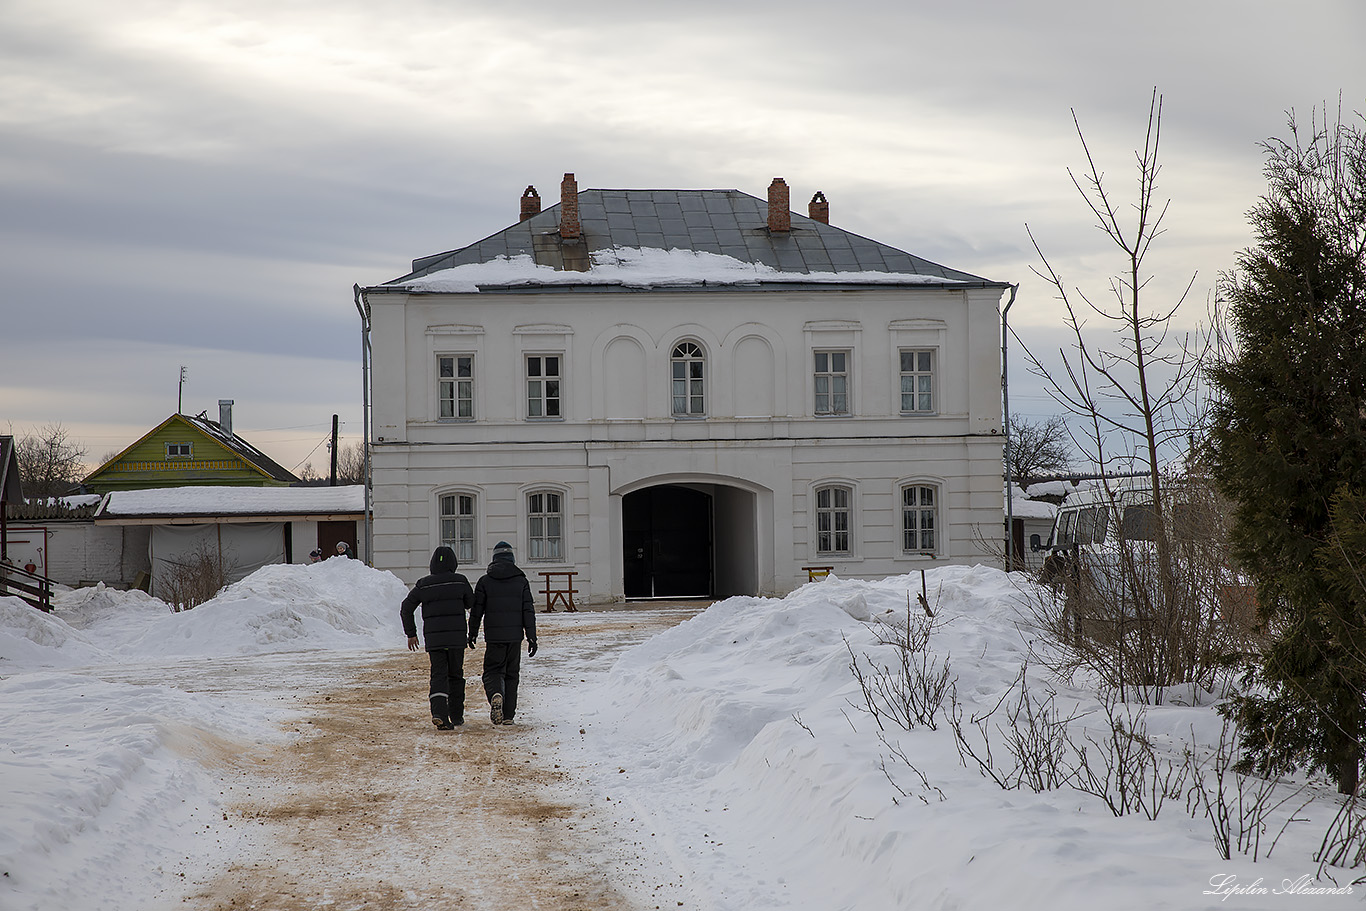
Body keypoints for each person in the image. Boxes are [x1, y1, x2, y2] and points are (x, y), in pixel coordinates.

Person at [400, 545, 475, 730]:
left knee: (438, 675)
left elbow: (406, 608)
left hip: (435, 641)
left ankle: (439, 713)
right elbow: (470, 603)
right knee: (456, 675)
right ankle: (456, 715)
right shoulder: (460, 581)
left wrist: (411, 633)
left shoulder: (424, 584)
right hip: (456, 639)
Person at [468, 541, 537, 725]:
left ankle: (495, 694)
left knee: (492, 671)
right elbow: (528, 611)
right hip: (515, 637)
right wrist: (532, 637)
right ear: (511, 559)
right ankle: (508, 716)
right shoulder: (521, 581)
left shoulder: (485, 581)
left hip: (494, 637)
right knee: (512, 674)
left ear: (494, 559)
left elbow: (477, 611)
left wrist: (472, 632)